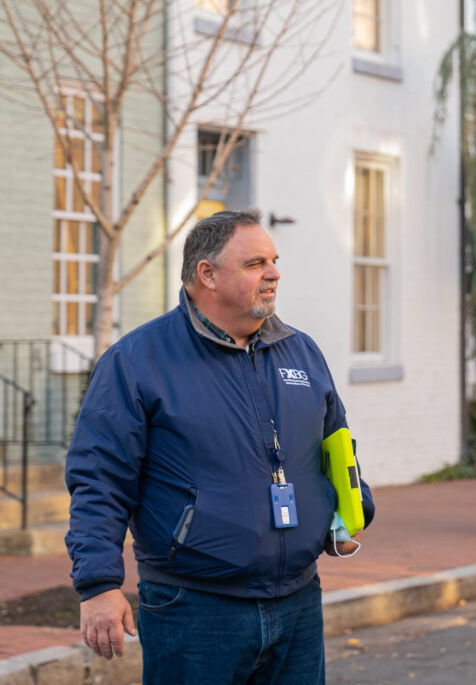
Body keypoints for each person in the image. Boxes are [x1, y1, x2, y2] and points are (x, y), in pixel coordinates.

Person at [65, 210, 373, 684]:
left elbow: (336, 445)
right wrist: (99, 584)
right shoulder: (136, 361)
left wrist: (346, 515)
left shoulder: (301, 351)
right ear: (206, 274)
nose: (273, 273)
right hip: (194, 608)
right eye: (255, 264)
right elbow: (99, 479)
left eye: (273, 260)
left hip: (298, 601)